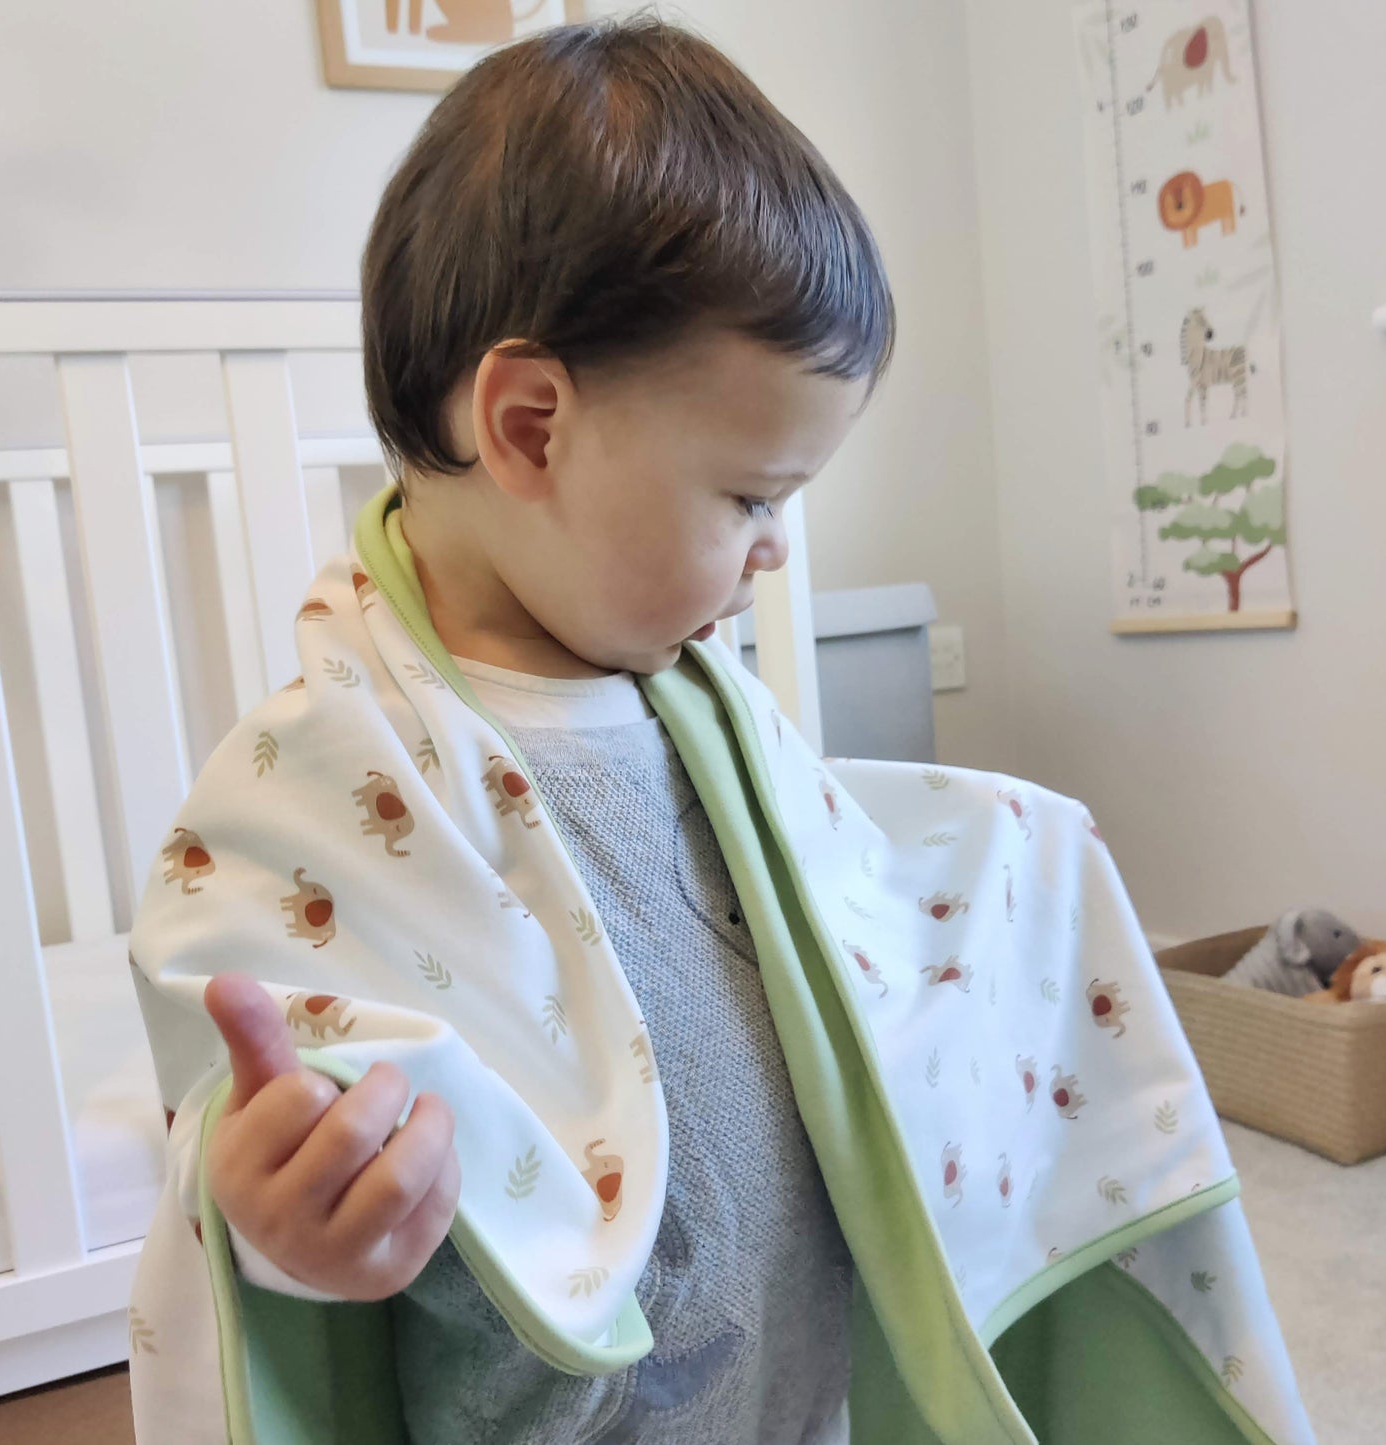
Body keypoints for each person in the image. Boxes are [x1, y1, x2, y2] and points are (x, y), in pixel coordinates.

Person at [130, 16, 891, 1443]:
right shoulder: (321, 782)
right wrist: (285, 1213)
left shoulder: (705, 710)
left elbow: (852, 926)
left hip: (792, 1401)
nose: (776, 548)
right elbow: (254, 1113)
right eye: (749, 497)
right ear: (530, 424)